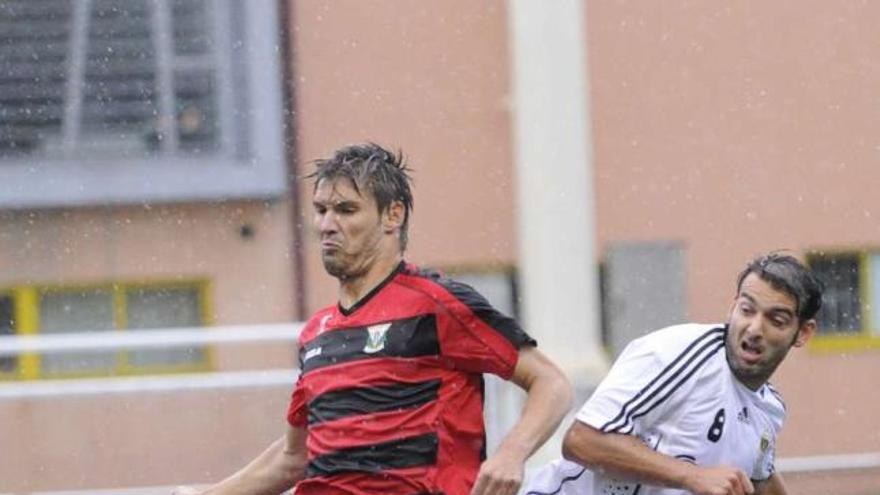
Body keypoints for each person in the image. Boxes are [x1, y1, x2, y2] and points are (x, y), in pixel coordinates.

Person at [173, 143, 572, 495]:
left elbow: (550, 383)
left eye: (346, 210)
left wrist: (510, 455)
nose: (328, 225)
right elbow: (294, 457)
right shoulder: (317, 333)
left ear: (391, 216)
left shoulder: (437, 303)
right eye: (321, 210)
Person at [523, 252, 824, 495]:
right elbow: (581, 441)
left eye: (776, 319)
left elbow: (760, 480)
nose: (755, 328)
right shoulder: (677, 351)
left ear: (803, 333)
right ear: (733, 307)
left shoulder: (768, 409)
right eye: (747, 310)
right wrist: (693, 477)